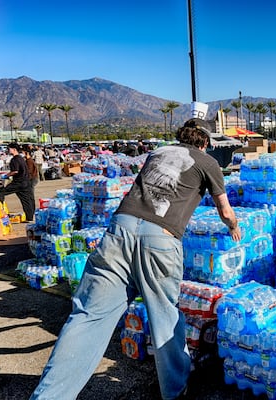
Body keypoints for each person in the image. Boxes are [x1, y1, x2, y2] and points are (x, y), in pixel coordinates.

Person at [30, 118, 242, 400]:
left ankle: (48, 396)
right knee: (165, 316)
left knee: (87, 317)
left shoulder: (158, 153)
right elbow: (225, 210)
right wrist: (234, 227)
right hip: (160, 240)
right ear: (205, 141)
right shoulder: (207, 162)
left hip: (119, 230)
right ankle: (175, 390)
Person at [0, 143, 36, 222]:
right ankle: (30, 217)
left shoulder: (15, 159)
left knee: (0, 192)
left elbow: (15, 171)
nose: (8, 150)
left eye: (9, 149)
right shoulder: (21, 158)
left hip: (18, 182)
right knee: (26, 200)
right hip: (25, 182)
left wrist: (6, 175)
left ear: (14, 149)